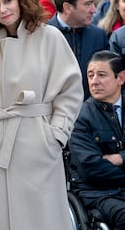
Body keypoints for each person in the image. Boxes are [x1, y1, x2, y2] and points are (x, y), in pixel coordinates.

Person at [0, 0, 83, 229]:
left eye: (8, 1)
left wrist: (55, 134)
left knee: (42, 218)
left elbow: (70, 92)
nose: (3, 9)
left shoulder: (50, 38)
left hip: (38, 146)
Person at [69, 50, 125, 229]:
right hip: (98, 194)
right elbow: (90, 168)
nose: (94, 81)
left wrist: (120, 157)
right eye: (90, 75)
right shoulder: (80, 117)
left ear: (120, 78)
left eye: (101, 75)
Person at [48, 0, 109, 100]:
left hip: (89, 112)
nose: (94, 10)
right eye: (88, 4)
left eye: (94, 3)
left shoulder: (98, 36)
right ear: (67, 7)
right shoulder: (43, 36)